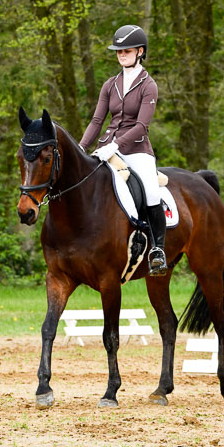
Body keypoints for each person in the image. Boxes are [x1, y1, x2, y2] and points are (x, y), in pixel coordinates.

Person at [79, 24, 167, 275]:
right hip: (106, 147)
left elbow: (141, 126)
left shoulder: (149, 85)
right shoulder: (110, 84)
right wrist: (81, 147)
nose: (121, 55)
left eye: (126, 50)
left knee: (150, 191)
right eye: (118, 51)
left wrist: (116, 146)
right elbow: (97, 121)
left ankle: (158, 249)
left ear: (140, 51)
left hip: (138, 150)